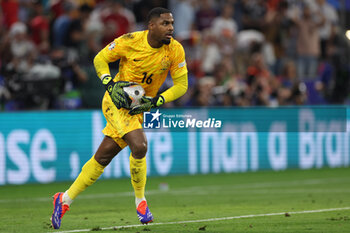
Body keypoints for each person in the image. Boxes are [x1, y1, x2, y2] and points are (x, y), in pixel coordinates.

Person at [50, 7, 188, 229]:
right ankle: (141, 202)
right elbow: (100, 59)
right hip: (117, 102)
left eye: (171, 23)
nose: (171, 28)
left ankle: (64, 199)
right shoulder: (130, 40)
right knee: (140, 146)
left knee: (103, 158)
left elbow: (182, 85)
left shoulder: (175, 50)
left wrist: (156, 101)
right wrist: (108, 82)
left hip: (139, 106)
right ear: (151, 25)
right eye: (165, 23)